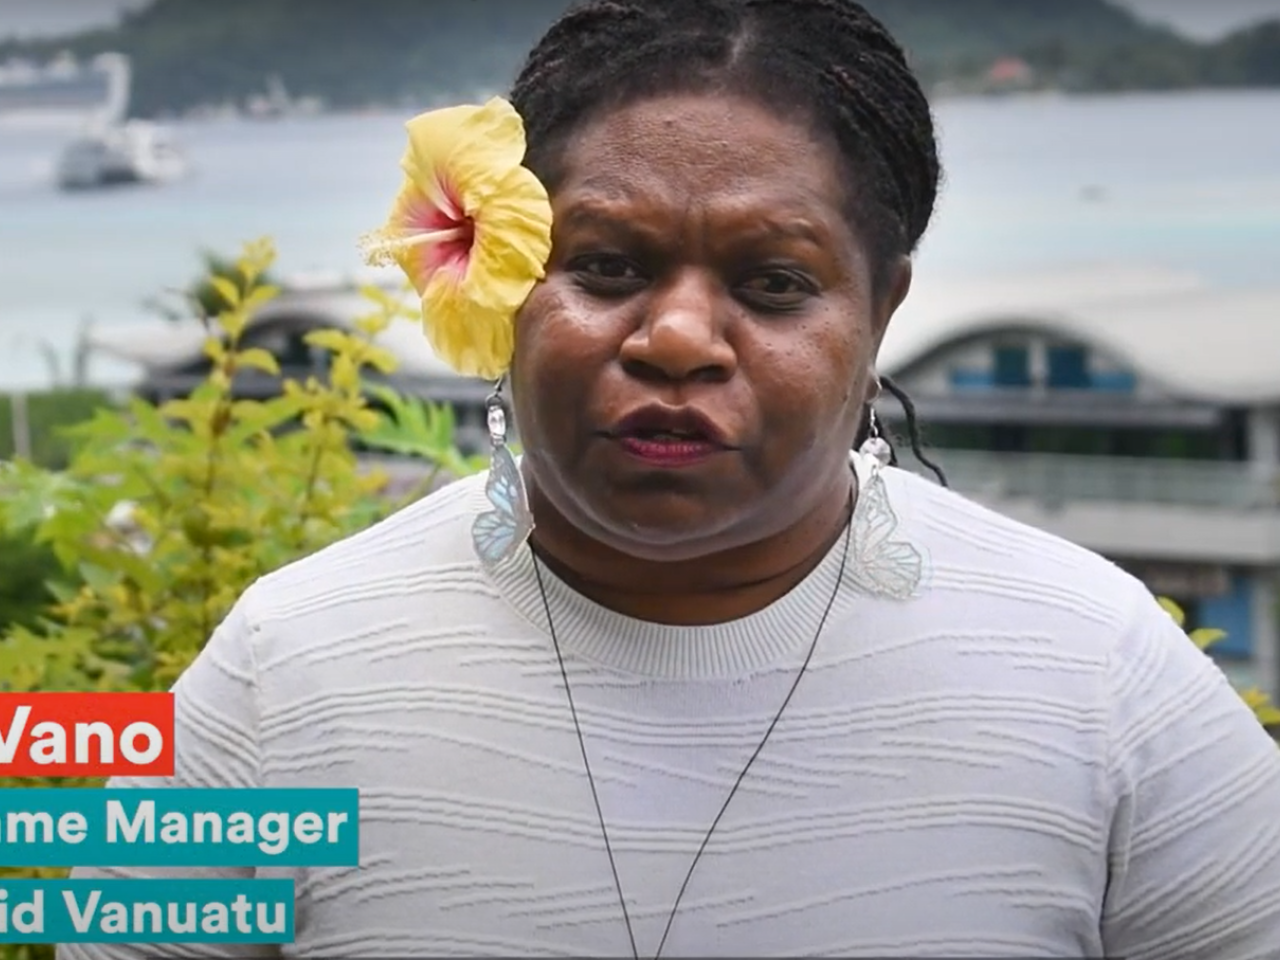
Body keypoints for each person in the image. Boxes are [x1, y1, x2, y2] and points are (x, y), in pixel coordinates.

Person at [63, 0, 1280, 957]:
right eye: (603, 266)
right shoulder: (275, 666)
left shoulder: (1101, 672)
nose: (676, 339)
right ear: (501, 271)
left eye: (772, 284)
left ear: (882, 309)